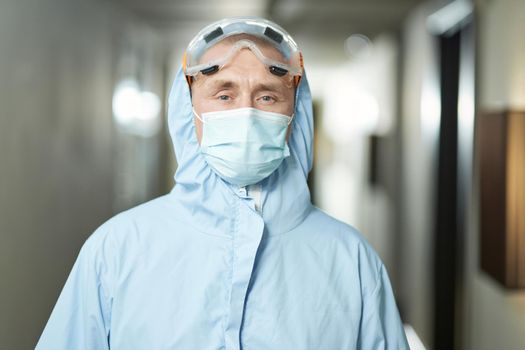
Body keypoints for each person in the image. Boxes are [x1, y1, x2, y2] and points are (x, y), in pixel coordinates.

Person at [36, 17, 409, 349]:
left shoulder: (351, 260)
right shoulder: (116, 250)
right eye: (224, 94)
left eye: (267, 96)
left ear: (295, 115)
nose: (245, 113)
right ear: (188, 110)